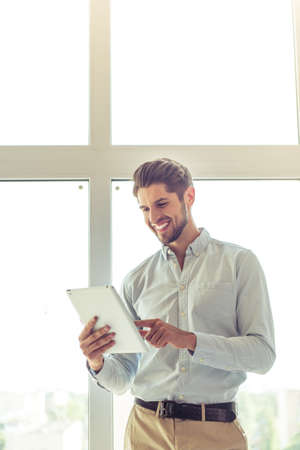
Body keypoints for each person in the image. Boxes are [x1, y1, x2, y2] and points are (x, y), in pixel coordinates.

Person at [79, 158, 276, 450]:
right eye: (145, 209)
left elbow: (262, 355)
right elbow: (122, 377)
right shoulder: (137, 279)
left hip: (215, 432)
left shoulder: (239, 263)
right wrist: (96, 361)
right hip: (145, 430)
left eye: (161, 204)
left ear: (189, 196)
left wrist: (187, 340)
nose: (153, 217)